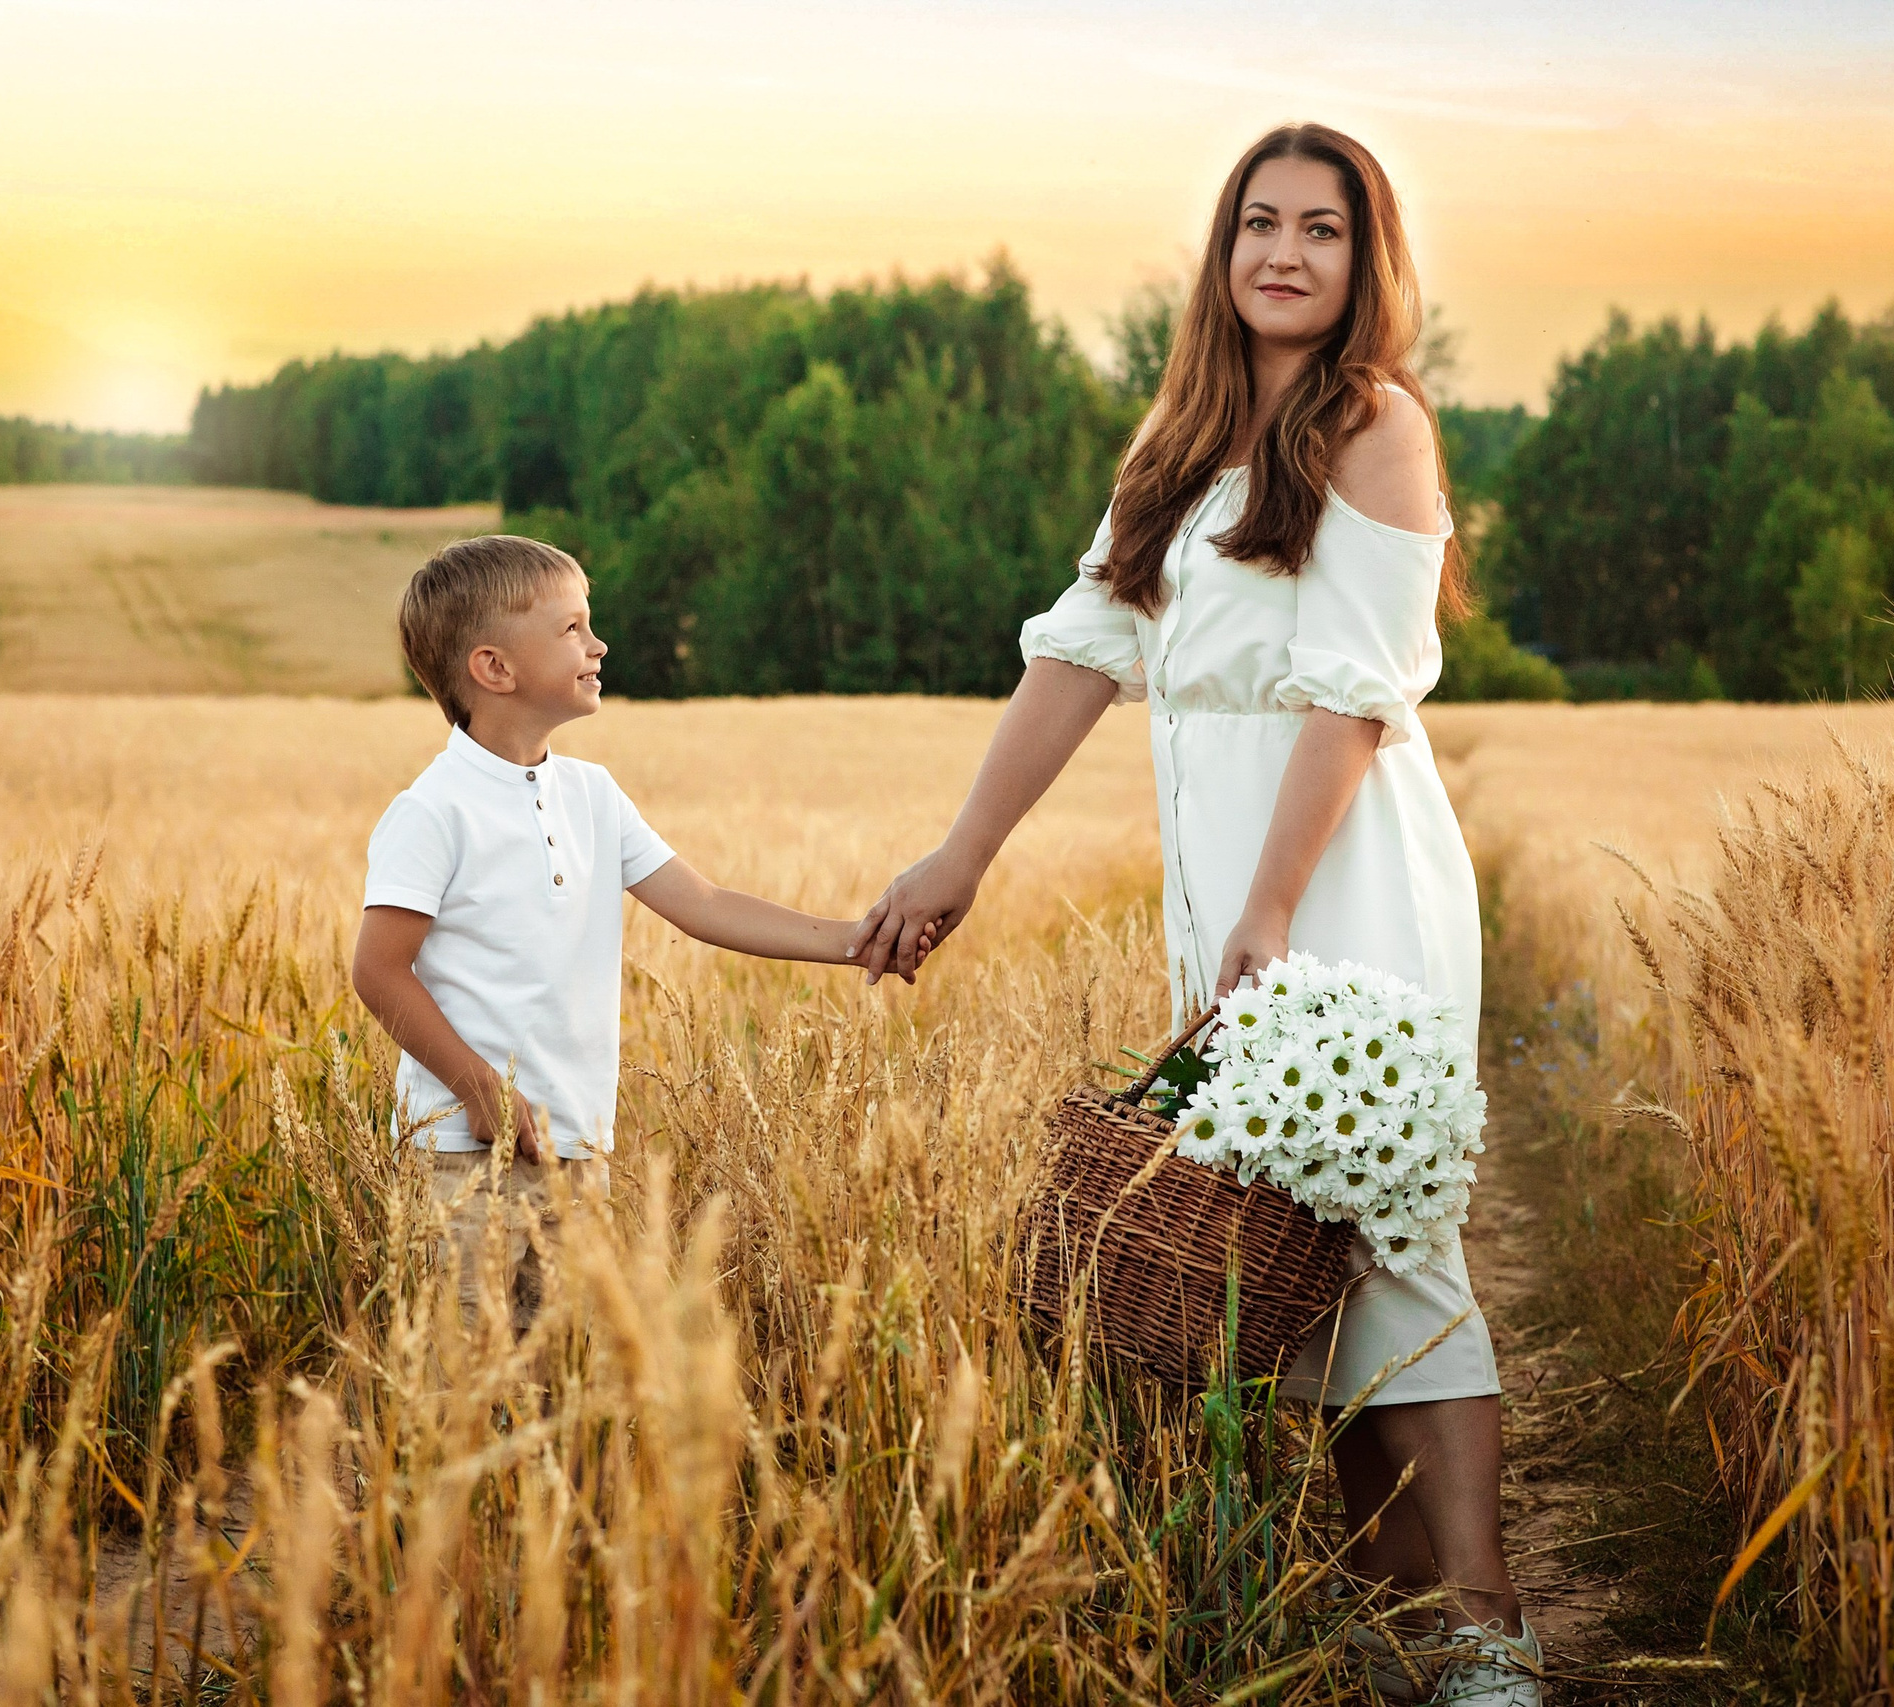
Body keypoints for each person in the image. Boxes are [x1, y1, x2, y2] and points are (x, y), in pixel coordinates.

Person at [844, 124, 1539, 1704]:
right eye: (1259, 225)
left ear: (1370, 263)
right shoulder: (1180, 441)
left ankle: (1489, 1633)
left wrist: (1275, 904)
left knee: (1391, 1237)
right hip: (1233, 892)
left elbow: (1353, 697)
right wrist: (966, 851)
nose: (1286, 253)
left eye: (1324, 230)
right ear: (1222, 254)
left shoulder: (1377, 428)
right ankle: (1390, 1614)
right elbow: (1080, 654)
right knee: (1286, 1263)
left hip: (1336, 873)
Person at [352, 535, 893, 1330]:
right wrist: (478, 1089)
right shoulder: (435, 810)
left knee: (560, 1387)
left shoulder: (593, 795)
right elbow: (377, 970)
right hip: (461, 1158)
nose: (597, 643)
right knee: (456, 1385)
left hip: (576, 1147)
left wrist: (857, 939)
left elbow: (704, 903)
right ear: (494, 669)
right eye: (571, 629)